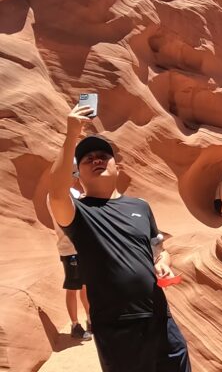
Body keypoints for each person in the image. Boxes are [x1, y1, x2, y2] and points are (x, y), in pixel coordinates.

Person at [48, 104, 191, 372]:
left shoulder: (140, 206)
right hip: (117, 326)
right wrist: (70, 137)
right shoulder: (78, 211)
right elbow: (56, 194)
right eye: (87, 159)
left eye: (103, 155)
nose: (96, 159)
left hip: (160, 317)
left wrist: (163, 261)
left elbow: (158, 248)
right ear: (78, 175)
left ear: (117, 166)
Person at [47, 175, 92, 340]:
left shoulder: (75, 192)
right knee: (73, 288)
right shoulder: (54, 195)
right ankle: (75, 325)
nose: (73, 178)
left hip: (82, 248)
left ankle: (90, 319)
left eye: (75, 175)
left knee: (86, 286)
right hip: (69, 248)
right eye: (71, 175)